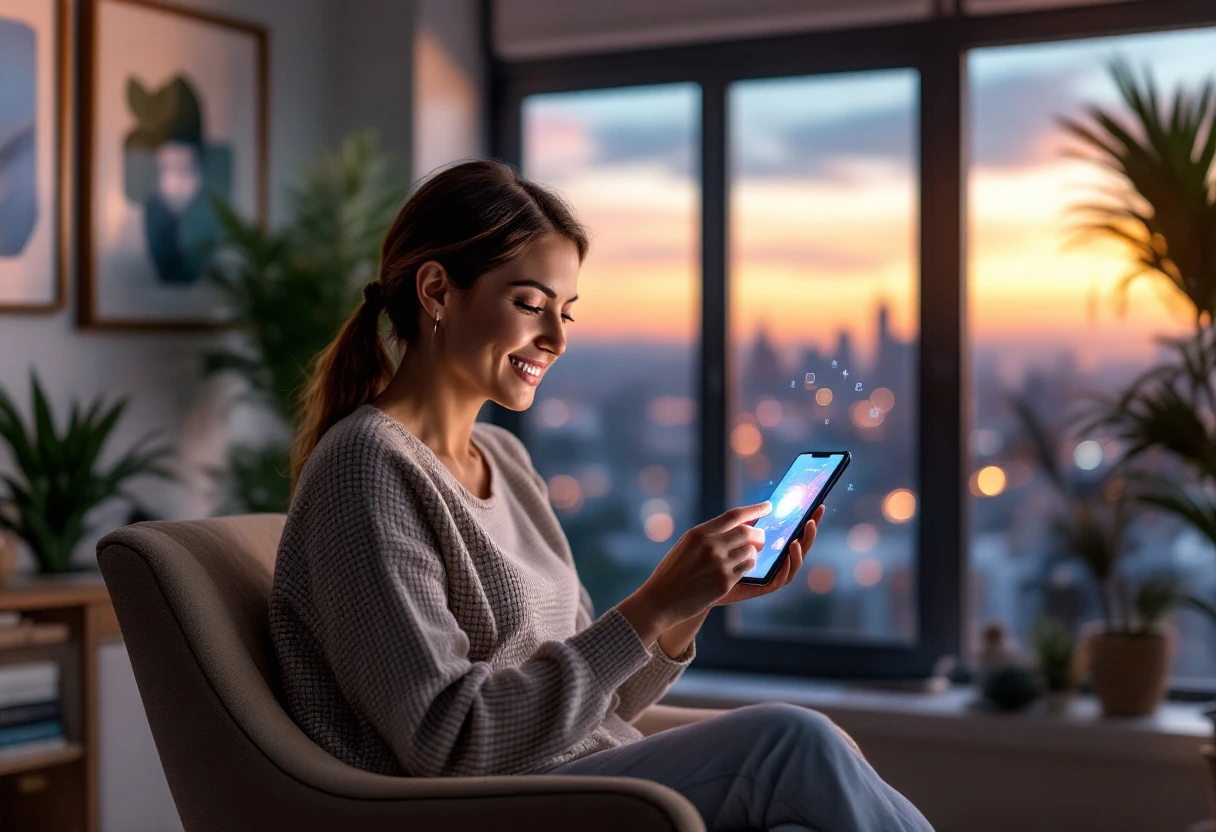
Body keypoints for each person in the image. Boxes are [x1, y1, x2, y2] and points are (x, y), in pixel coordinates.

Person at [268, 159, 934, 832]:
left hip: (577, 781)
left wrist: (685, 610)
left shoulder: (505, 458)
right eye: (530, 305)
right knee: (793, 742)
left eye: (566, 313)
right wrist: (652, 604)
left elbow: (598, 703)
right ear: (437, 290)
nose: (556, 339)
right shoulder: (366, 468)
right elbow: (451, 741)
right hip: (486, 808)